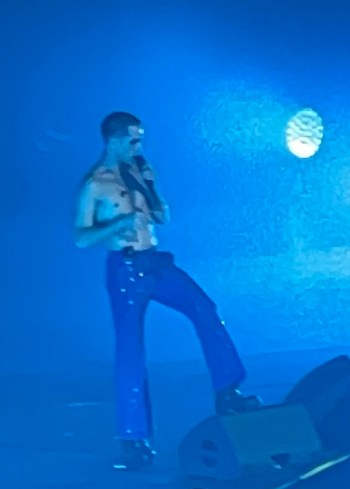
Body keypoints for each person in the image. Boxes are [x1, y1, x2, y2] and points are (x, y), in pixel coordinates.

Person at [74, 111, 259, 470]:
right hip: (125, 270)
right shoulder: (95, 183)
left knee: (204, 307)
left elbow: (162, 218)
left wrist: (150, 188)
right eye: (133, 139)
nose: (139, 146)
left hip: (154, 262)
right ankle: (133, 436)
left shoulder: (139, 171)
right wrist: (118, 223)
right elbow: (81, 237)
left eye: (140, 139)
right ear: (114, 140)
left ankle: (227, 389)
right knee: (131, 349)